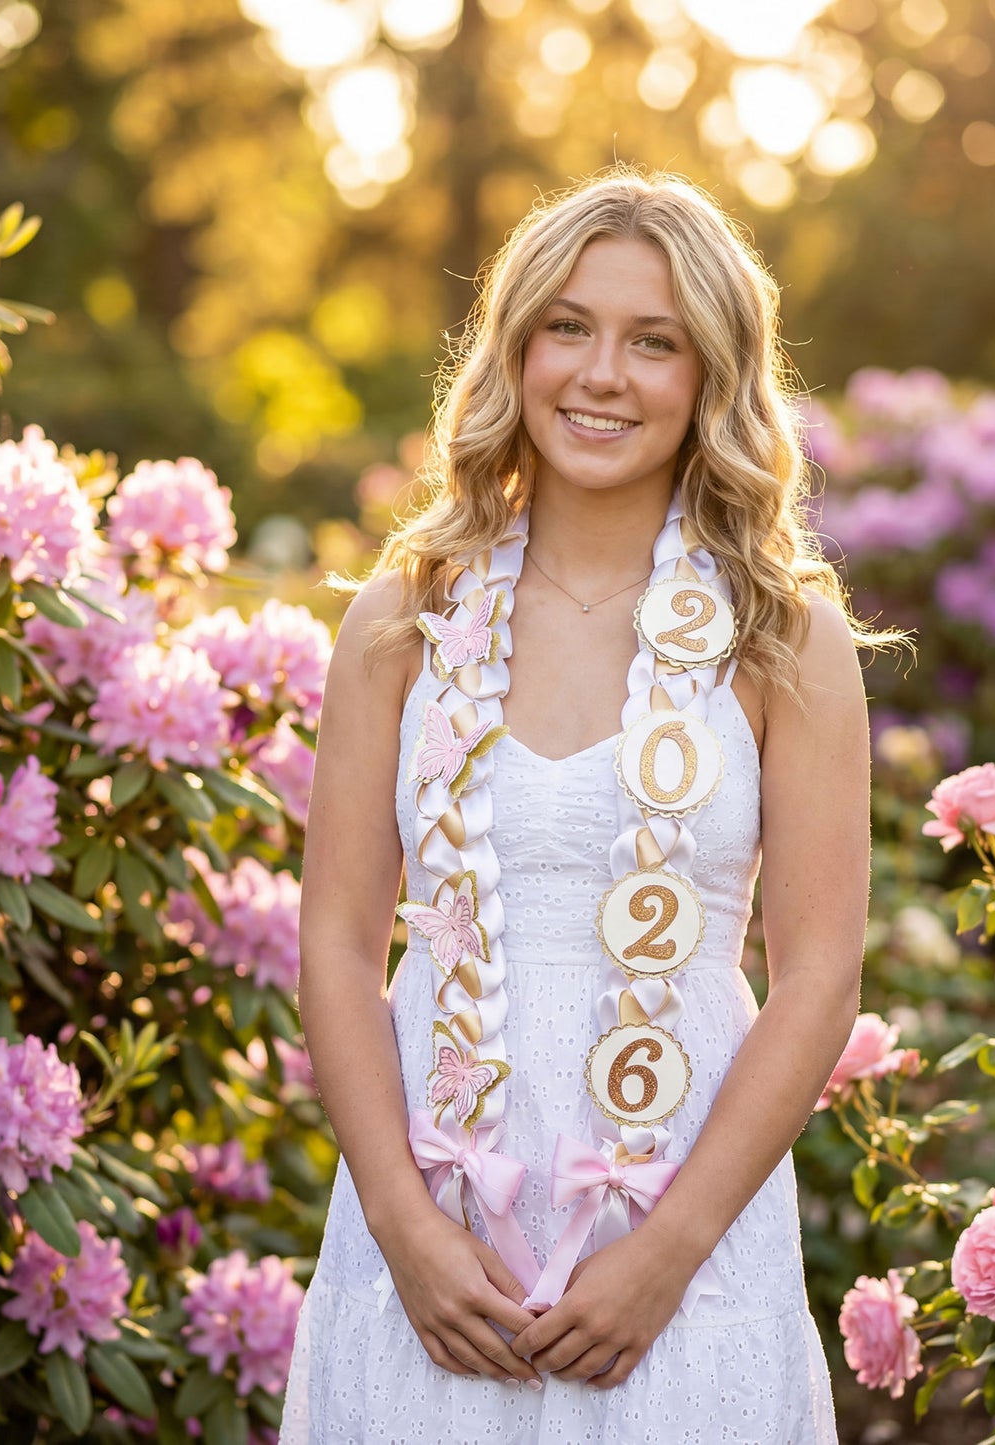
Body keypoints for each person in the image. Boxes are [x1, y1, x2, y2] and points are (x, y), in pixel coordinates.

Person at [279, 167, 906, 1443]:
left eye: (652, 340)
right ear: (514, 349)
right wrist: (404, 1229)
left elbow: (817, 978)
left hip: (687, 1235)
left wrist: (664, 1252)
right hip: (431, 1235)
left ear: (709, 378)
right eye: (567, 325)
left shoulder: (785, 638)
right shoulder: (402, 621)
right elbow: (340, 946)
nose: (600, 373)